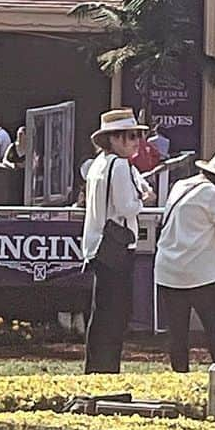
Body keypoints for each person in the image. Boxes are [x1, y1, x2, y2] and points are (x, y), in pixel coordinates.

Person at [154, 151, 215, 373]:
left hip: (167, 270)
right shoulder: (214, 195)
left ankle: (179, 383)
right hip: (199, 275)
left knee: (177, 337)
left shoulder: (180, 186)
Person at [81, 109, 155, 373]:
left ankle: (96, 369)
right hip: (116, 245)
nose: (137, 141)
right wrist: (142, 200)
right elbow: (126, 207)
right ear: (114, 139)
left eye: (138, 135)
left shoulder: (99, 164)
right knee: (115, 314)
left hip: (98, 245)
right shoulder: (120, 165)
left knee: (101, 314)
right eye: (131, 136)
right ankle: (107, 369)